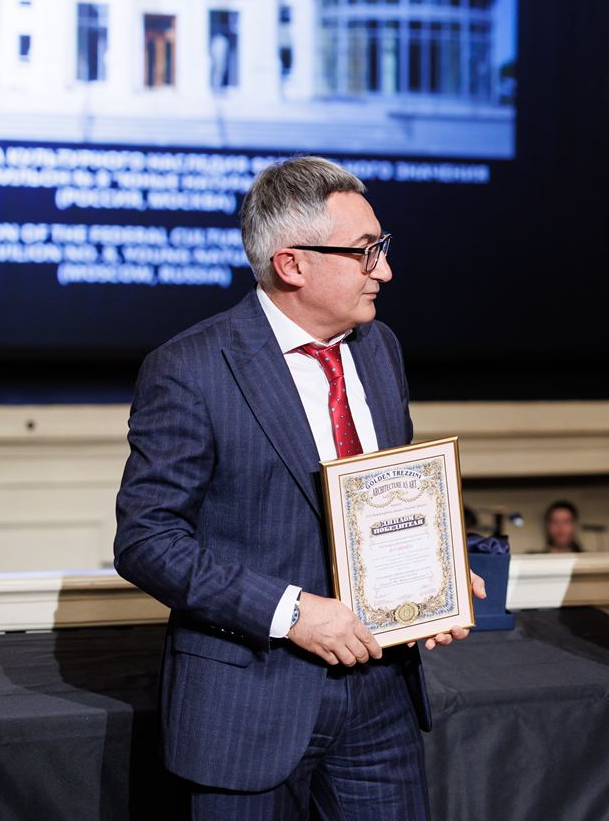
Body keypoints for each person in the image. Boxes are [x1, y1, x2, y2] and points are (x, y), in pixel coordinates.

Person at [114, 156, 483, 819]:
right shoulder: (190, 368)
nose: (385, 271)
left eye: (382, 248)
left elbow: (385, 494)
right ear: (292, 265)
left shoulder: (379, 347)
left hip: (381, 698)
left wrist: (439, 571)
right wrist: (292, 613)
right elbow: (148, 541)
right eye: (366, 252)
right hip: (248, 705)